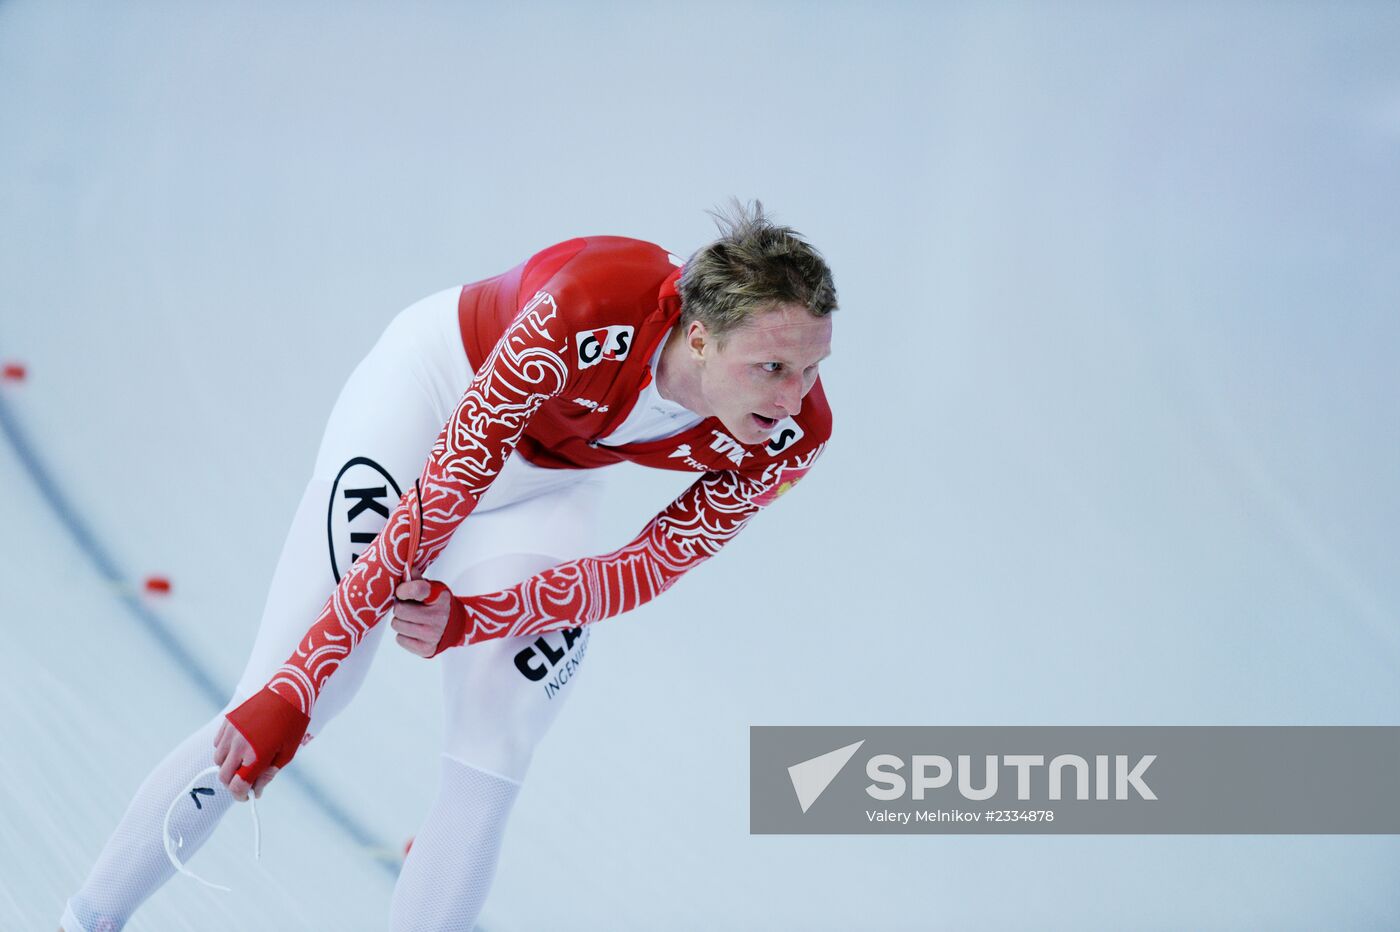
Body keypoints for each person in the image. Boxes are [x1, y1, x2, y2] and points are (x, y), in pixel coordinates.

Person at [61, 201, 836, 931]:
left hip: (552, 480)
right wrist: (296, 681)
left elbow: (650, 563)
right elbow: (446, 486)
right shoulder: (587, 309)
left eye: (810, 369)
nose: (795, 400)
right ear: (698, 336)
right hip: (431, 402)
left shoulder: (798, 432)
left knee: (495, 747)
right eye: (771, 368)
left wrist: (482, 616)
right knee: (288, 697)